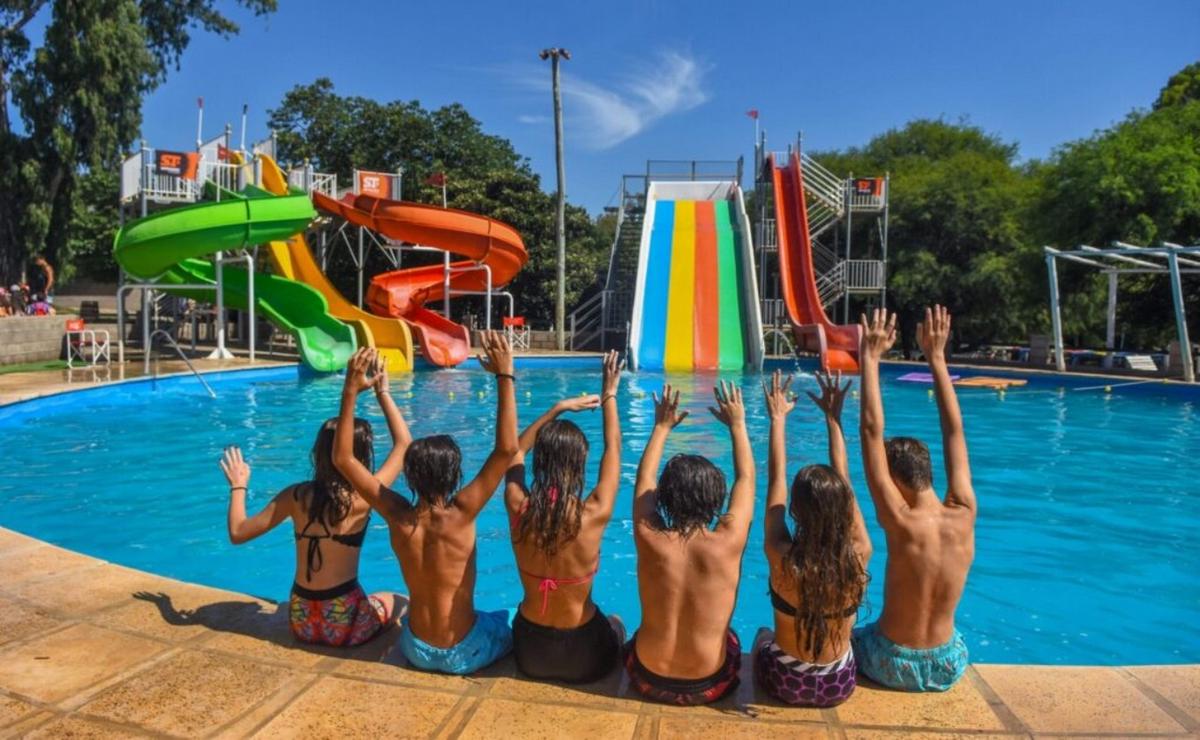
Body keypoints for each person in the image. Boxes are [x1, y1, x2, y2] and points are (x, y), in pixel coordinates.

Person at [332, 334, 518, 675]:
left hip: (415, 648)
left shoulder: (397, 514)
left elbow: (343, 458)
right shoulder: (462, 512)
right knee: (504, 620)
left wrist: (351, 391)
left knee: (489, 617)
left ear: (411, 476)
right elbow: (506, 450)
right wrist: (505, 375)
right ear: (455, 474)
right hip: (463, 652)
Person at [217, 353, 407, 648]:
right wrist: (382, 392)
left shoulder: (296, 496)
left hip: (301, 620)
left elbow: (238, 532)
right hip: (345, 624)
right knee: (399, 599)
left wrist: (239, 486)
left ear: (318, 451)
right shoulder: (362, 497)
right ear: (361, 455)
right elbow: (404, 444)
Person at [853, 306, 975, 691]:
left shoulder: (899, 519)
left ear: (894, 479)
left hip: (889, 662)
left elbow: (871, 431)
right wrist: (937, 358)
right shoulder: (965, 511)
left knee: (840, 637)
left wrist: (870, 358)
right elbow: (954, 432)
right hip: (947, 664)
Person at [625, 381, 755, 706]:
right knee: (734, 637)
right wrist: (737, 425)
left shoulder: (649, 537)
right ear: (716, 502)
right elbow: (746, 479)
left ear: (665, 499)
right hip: (709, 685)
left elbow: (644, 481)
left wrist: (661, 426)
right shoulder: (728, 541)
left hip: (646, 678)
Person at [753, 370, 872, 707]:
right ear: (844, 510)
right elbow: (845, 484)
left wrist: (777, 419)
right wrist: (833, 419)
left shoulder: (782, 557)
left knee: (762, 635)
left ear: (795, 509)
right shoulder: (860, 552)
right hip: (839, 683)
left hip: (787, 682)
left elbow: (775, 480)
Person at [505, 350, 625, 683]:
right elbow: (614, 449)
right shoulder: (593, 512)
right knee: (616, 622)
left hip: (529, 651)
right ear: (579, 466)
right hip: (585, 655)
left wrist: (556, 409)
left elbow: (513, 452)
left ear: (540, 462)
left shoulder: (518, 507)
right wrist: (610, 392)